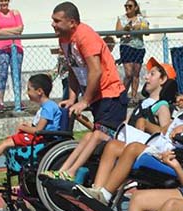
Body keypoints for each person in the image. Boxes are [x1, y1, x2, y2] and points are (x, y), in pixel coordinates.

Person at [73, 71, 183, 207]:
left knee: (133, 148)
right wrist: (146, 124)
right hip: (159, 149)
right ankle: (97, 190)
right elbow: (164, 132)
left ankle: (105, 195)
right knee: (113, 145)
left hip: (174, 160)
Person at [43, 58, 175, 182]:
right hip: (127, 139)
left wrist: (146, 125)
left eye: (152, 74)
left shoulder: (162, 106)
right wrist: (85, 121)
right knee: (90, 135)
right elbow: (125, 125)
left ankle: (71, 172)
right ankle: (62, 171)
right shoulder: (142, 104)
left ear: (163, 80)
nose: (146, 77)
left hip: (140, 146)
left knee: (97, 135)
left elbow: (165, 132)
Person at [53, 2, 128, 132]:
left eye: (57, 21)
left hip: (109, 95)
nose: (53, 24)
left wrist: (84, 101)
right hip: (95, 96)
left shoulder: (85, 36)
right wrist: (72, 98)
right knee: (97, 136)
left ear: (71, 23)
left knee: (106, 141)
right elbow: (72, 68)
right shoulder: (64, 39)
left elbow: (96, 71)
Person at [0, 0, 24, 113]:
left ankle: (18, 100)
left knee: (16, 75)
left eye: (5, 0)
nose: (3, 3)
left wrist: (4, 30)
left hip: (16, 47)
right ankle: (0, 102)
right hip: (1, 48)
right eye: (1, 1)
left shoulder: (15, 13)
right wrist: (13, 31)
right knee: (2, 74)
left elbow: (20, 29)